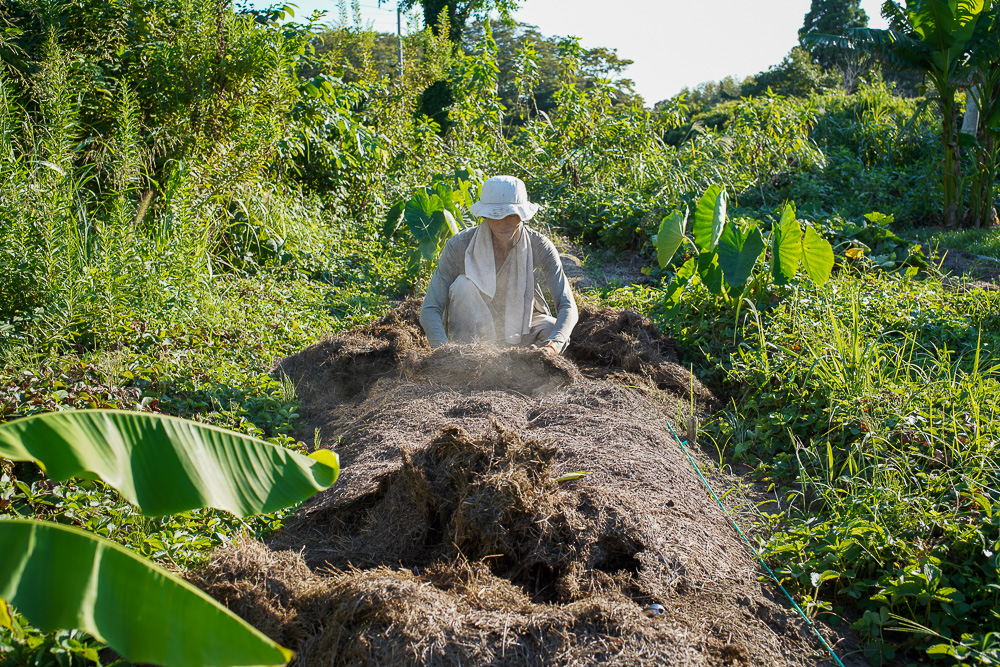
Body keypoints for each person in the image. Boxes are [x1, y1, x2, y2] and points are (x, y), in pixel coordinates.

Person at [419, 175, 578, 354]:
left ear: (522, 215)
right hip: (472, 330)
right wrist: (443, 351)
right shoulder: (460, 246)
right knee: (463, 286)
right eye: (495, 215)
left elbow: (567, 305)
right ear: (484, 215)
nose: (503, 223)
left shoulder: (538, 245)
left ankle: (526, 360)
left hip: (520, 323)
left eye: (511, 215)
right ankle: (466, 357)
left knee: (551, 327)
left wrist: (553, 346)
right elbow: (430, 309)